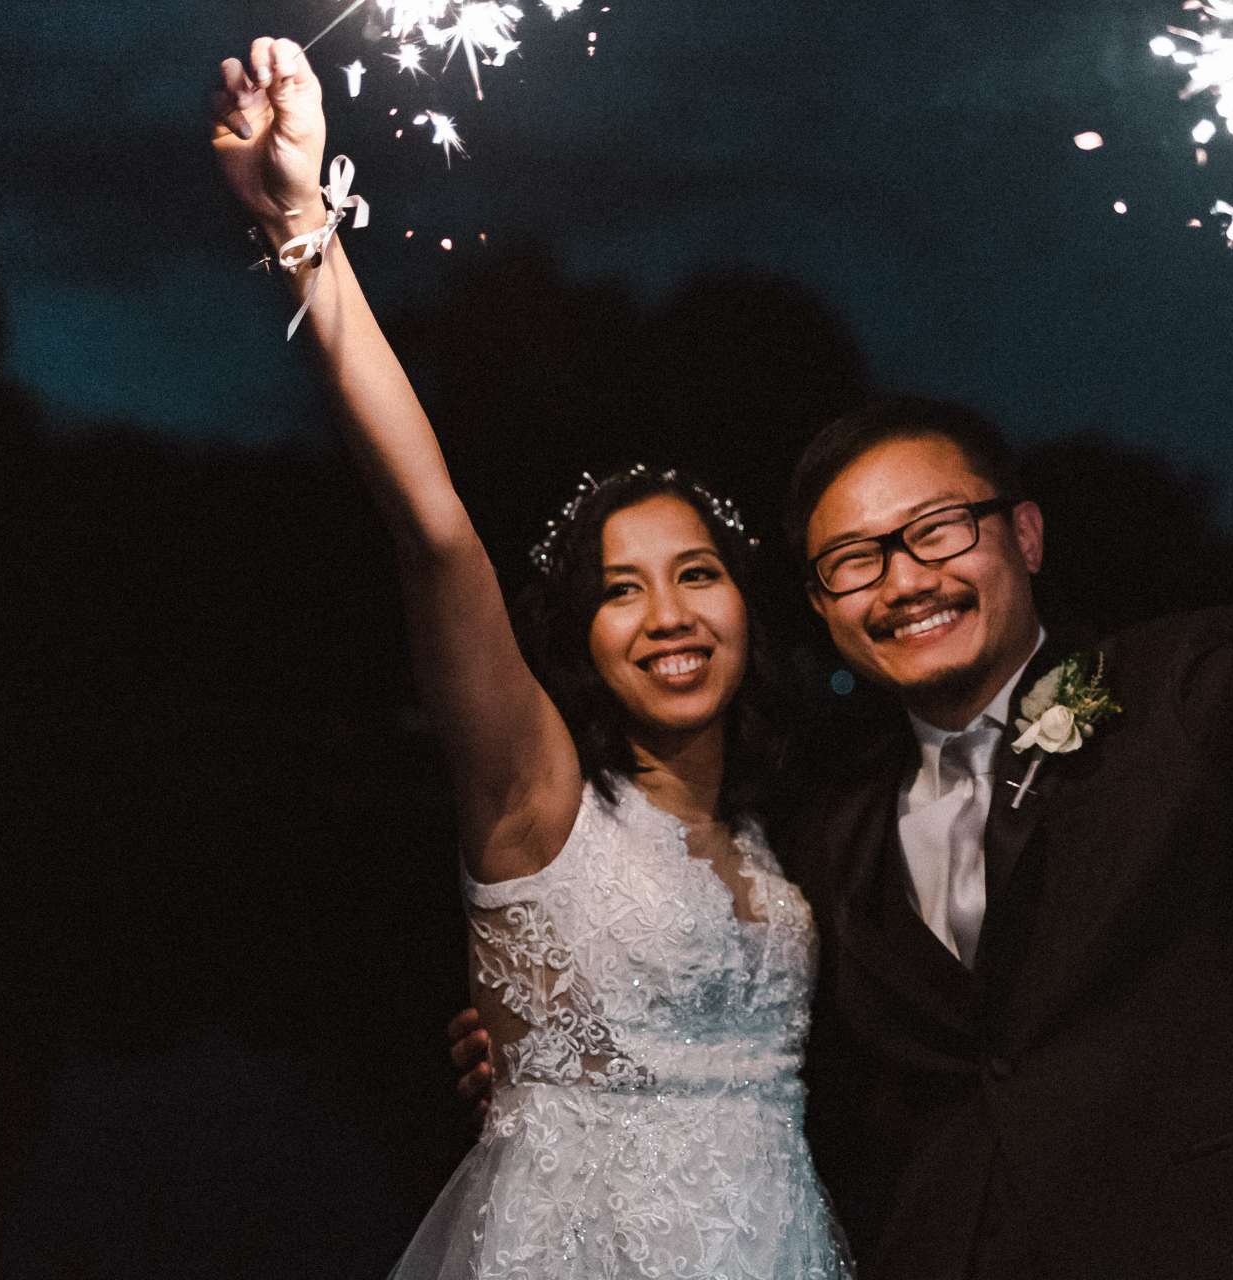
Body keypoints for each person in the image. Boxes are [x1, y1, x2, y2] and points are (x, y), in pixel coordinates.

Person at [458, 168, 1233, 1275]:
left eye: (938, 529)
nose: (904, 580)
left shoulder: (1178, 697)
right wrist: (567, 1044)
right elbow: (738, 1029)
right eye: (855, 559)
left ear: (1025, 536)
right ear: (821, 608)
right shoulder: (822, 820)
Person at [211, 35, 852, 1279]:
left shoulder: (789, 838)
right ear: (582, 637)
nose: (666, 614)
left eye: (697, 573)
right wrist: (305, 228)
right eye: (620, 591)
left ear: (747, 608)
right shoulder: (538, 798)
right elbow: (437, 532)